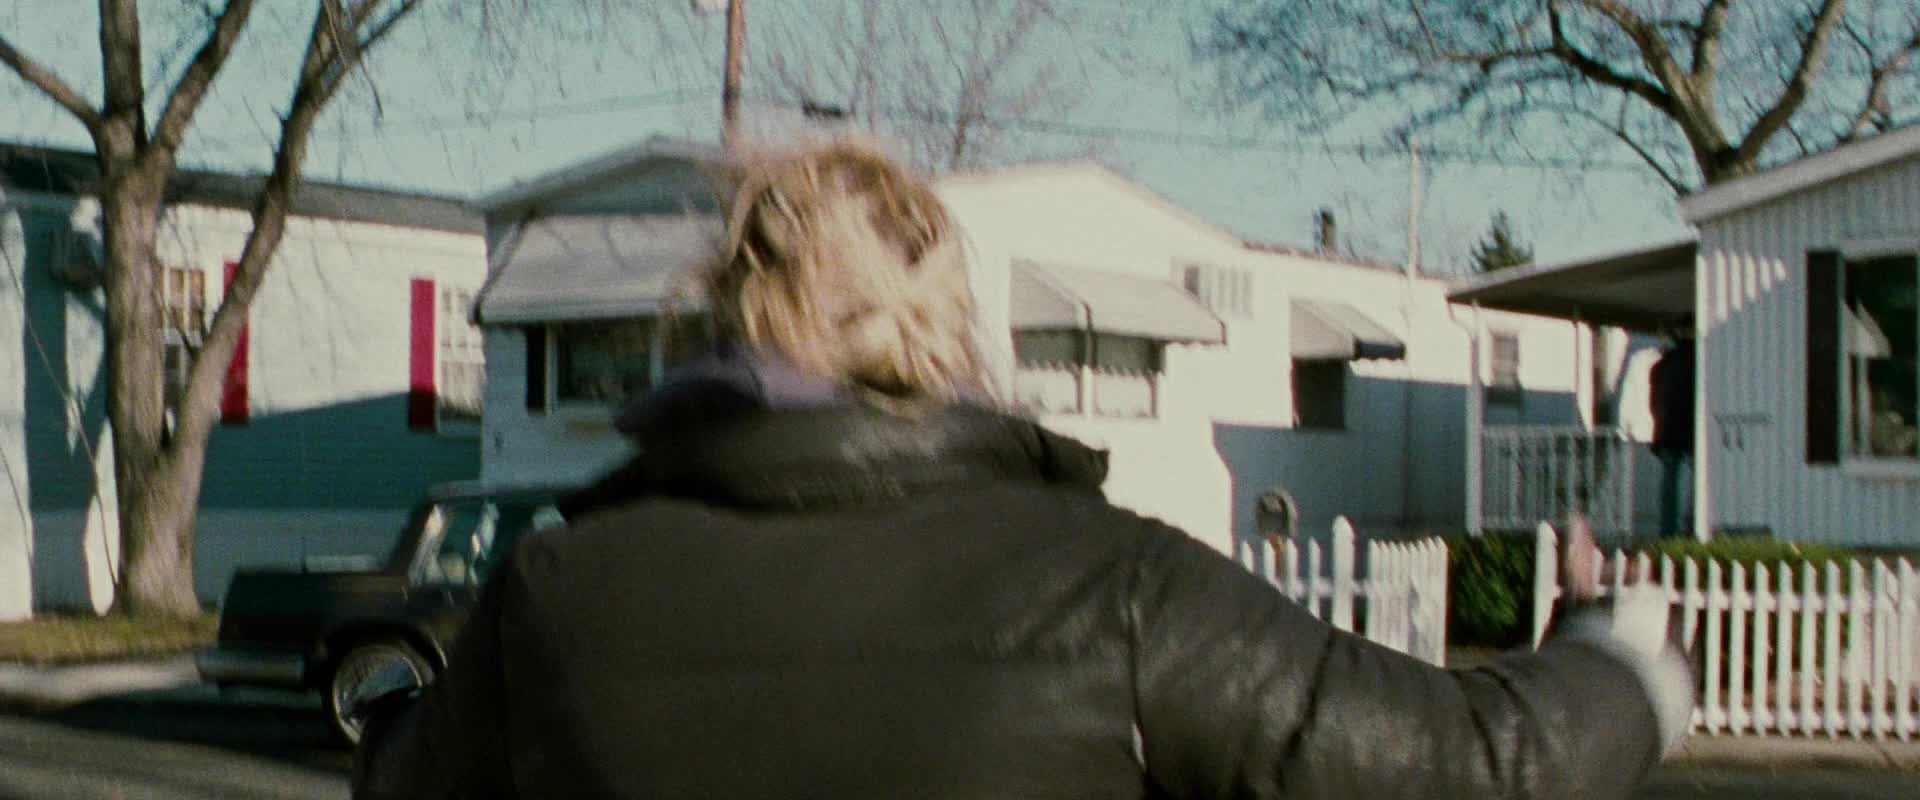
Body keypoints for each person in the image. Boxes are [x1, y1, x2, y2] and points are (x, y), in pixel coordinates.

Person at [351, 141, 1693, 799]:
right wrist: (1619, 658)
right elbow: (1477, 765)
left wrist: (408, 705)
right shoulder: (1114, 586)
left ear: (728, 309)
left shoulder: (556, 594)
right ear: (947, 327)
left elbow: (402, 782)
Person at [1648, 321, 1695, 537]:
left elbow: (1653, 404)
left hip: (1667, 431)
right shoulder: (1700, 362)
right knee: (1698, 483)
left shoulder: (1661, 366)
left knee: (1670, 485)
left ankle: (1667, 531)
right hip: (1692, 431)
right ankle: (1692, 526)